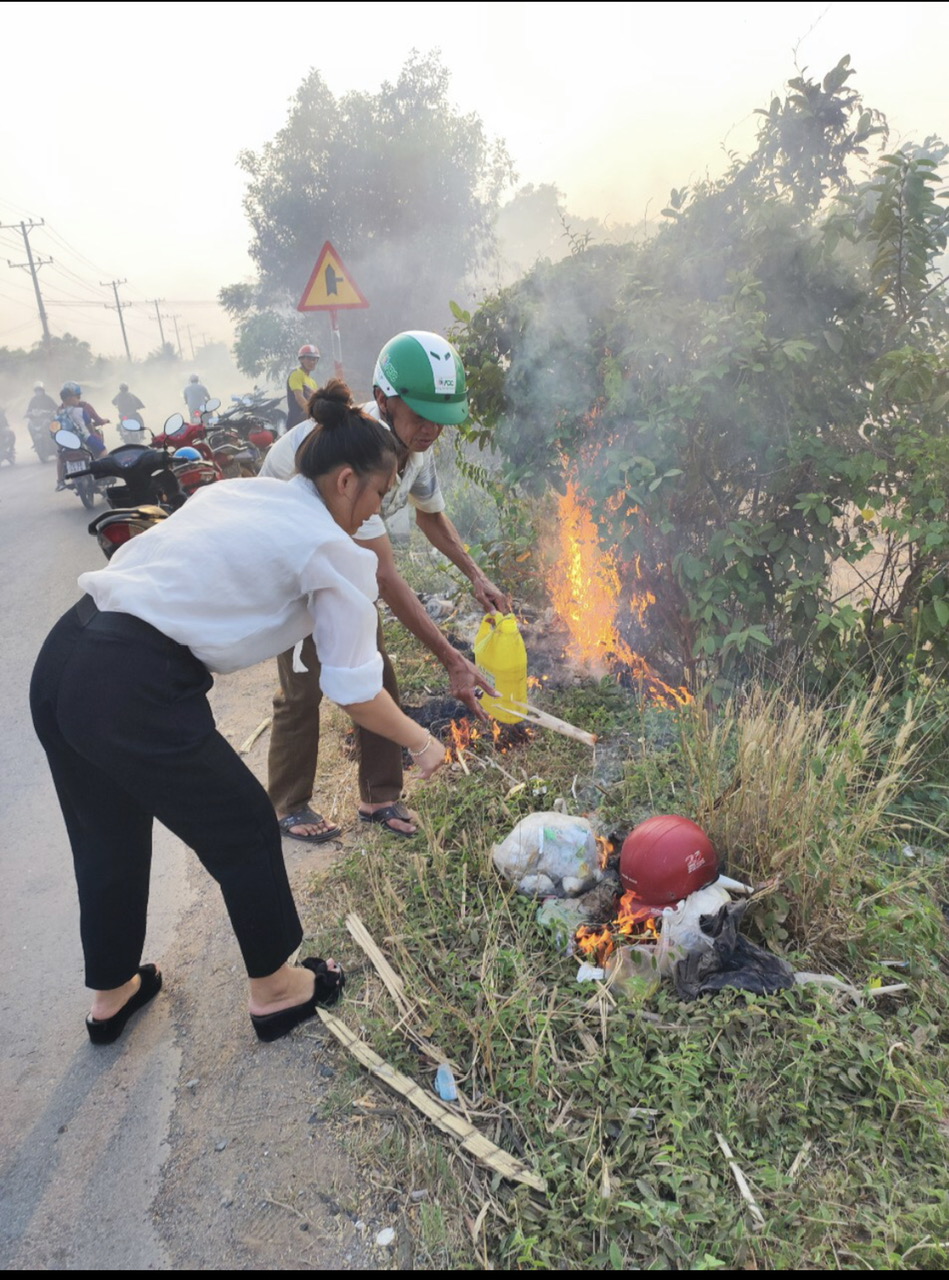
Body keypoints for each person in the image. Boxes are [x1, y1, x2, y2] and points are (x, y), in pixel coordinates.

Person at [30, 381, 446, 1047]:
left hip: (65, 655)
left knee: (105, 831)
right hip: (131, 680)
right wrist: (420, 742)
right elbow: (353, 688)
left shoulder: (244, 491)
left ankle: (112, 993)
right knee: (245, 825)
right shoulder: (333, 549)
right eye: (378, 494)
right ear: (345, 481)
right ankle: (277, 991)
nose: (376, 512)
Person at [260, 330, 510, 841]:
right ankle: (288, 804)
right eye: (419, 416)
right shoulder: (363, 453)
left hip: (341, 546)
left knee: (374, 673)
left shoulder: (416, 448)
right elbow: (385, 575)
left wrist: (477, 575)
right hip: (288, 549)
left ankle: (379, 799)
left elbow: (431, 518)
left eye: (439, 420)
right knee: (303, 684)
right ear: (383, 400)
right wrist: (453, 660)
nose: (430, 431)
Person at [53, 382, 109, 490]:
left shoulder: (58, 413)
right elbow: (90, 427)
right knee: (103, 451)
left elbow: (55, 430)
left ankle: (60, 481)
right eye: (76, 396)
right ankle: (104, 472)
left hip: (67, 442)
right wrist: (93, 434)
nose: (78, 399)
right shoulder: (82, 409)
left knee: (60, 455)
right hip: (84, 439)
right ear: (70, 398)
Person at [286, 344, 321, 430]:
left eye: (314, 359)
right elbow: (299, 398)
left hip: (310, 422)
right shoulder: (296, 374)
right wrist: (313, 414)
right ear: (301, 359)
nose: (312, 362)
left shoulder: (312, 382)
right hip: (297, 423)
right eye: (309, 359)